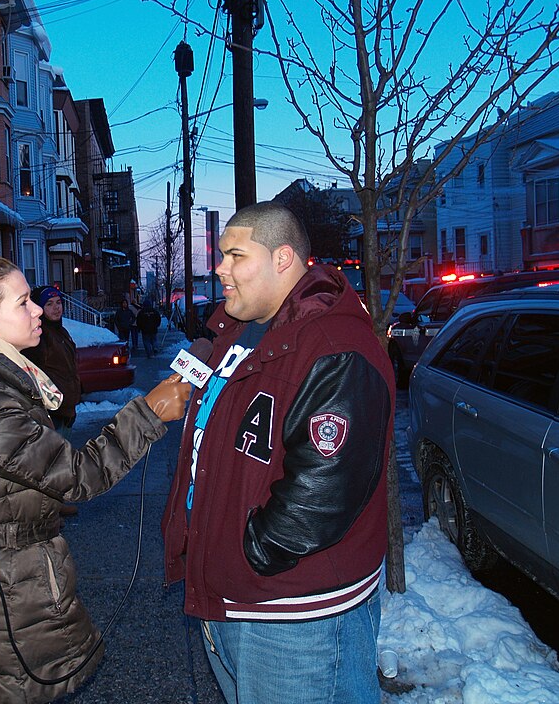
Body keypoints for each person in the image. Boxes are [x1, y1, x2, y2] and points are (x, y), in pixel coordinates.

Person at [0, 247, 191, 703]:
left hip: (16, 578)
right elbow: (79, 474)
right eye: (23, 302)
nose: (37, 311)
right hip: (2, 594)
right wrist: (149, 413)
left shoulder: (2, 379)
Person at [161, 202, 394, 703]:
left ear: (282, 258)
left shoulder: (334, 347)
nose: (218, 268)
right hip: (230, 596)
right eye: (221, 255)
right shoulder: (234, 332)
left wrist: (250, 552)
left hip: (293, 617)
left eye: (234, 255)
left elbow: (322, 490)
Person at [23, 285, 80, 438]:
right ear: (40, 308)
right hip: (51, 415)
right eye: (49, 304)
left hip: (66, 412)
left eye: (58, 302)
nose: (56, 308)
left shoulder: (61, 332)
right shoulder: (39, 336)